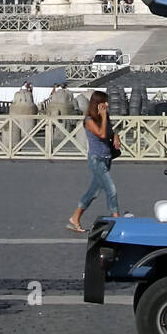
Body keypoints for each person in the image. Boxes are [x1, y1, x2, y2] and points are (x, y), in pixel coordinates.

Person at [68, 91, 120, 232]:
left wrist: (116, 135)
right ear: (97, 104)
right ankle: (117, 219)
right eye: (105, 102)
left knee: (93, 192)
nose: (108, 104)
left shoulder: (105, 117)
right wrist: (103, 117)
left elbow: (108, 133)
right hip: (96, 160)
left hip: (107, 159)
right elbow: (101, 134)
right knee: (111, 189)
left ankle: (75, 218)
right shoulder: (89, 120)